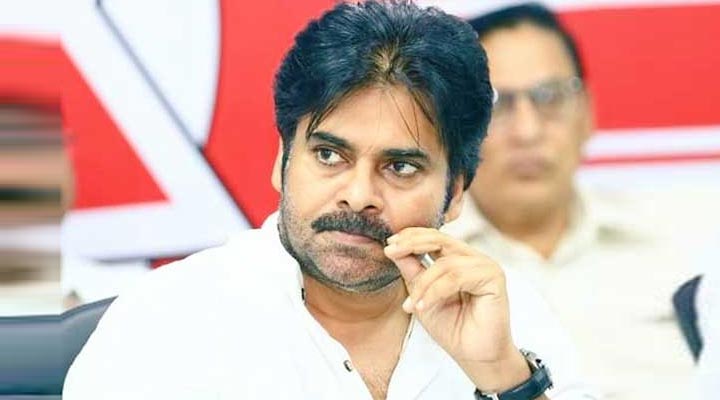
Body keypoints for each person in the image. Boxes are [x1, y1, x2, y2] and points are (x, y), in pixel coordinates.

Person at [64, 2, 598, 399]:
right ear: (282, 160)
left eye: (400, 167)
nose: (359, 196)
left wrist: (505, 379)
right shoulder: (167, 322)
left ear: (455, 192)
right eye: (329, 155)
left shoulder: (509, 316)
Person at [442, 3, 694, 399]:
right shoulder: (427, 269)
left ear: (587, 112)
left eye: (550, 97)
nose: (527, 131)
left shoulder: (679, 249)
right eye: (496, 104)